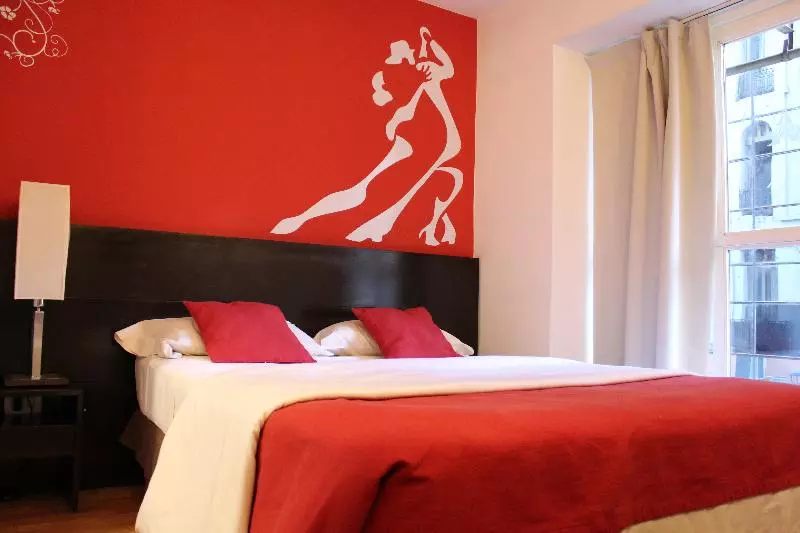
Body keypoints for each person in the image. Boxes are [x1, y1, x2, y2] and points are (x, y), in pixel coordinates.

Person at [271, 27, 463, 247]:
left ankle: (307, 219)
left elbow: (436, 72)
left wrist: (428, 42)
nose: (410, 53)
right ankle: (308, 219)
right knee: (364, 189)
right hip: (424, 137)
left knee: (365, 189)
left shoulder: (423, 70)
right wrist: (428, 43)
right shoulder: (423, 71)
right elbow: (441, 70)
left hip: (425, 137)